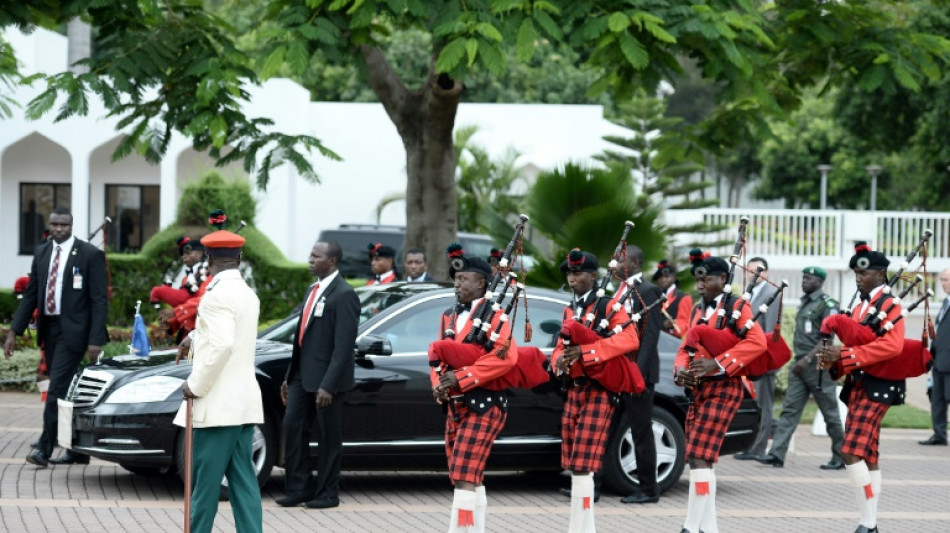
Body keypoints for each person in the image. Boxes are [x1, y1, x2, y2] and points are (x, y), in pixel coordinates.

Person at [173, 229, 263, 533]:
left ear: (208, 260)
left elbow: (223, 344)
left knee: (205, 486)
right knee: (244, 482)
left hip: (218, 408)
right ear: (238, 258)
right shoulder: (247, 293)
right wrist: (194, 337)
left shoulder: (215, 295)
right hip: (242, 404)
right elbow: (230, 336)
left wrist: (194, 384)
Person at [4, 207, 108, 467]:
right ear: (49, 225)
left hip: (74, 333)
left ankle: (43, 448)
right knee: (67, 393)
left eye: (64, 224)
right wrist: (14, 332)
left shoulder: (89, 254)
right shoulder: (42, 252)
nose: (59, 228)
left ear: (71, 225)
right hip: (49, 330)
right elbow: (31, 294)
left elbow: (98, 299)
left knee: (56, 390)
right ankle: (78, 450)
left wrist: (95, 339)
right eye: (54, 224)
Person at [817, 242, 906, 533]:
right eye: (855, 272)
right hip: (859, 382)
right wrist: (833, 360)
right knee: (868, 454)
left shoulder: (890, 304)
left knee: (850, 451)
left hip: (879, 384)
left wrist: (844, 356)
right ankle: (871, 521)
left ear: (880, 275)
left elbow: (892, 346)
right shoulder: (861, 306)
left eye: (863, 273)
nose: (858, 277)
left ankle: (867, 523)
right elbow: (855, 342)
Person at [675, 253, 766, 533]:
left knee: (699, 456)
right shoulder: (696, 311)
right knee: (702, 458)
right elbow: (685, 349)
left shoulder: (738, 306)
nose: (702, 282)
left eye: (708, 277)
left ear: (724, 280)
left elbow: (757, 342)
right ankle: (709, 528)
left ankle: (690, 527)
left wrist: (718, 363)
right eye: (699, 277)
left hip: (725, 387)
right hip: (699, 390)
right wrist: (681, 370)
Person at [552, 248, 640, 533]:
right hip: (574, 390)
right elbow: (559, 348)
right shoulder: (570, 308)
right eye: (569, 272)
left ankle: (580, 529)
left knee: (583, 464)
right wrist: (558, 362)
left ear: (593, 276)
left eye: (578, 273)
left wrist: (588, 352)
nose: (572, 277)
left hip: (599, 390)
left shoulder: (609, 305)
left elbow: (629, 339)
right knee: (574, 463)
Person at [431, 251, 517, 533]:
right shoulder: (448, 315)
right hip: (455, 404)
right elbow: (438, 357)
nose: (457, 284)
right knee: (466, 475)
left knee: (464, 473)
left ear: (481, 284)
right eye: (455, 279)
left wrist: (463, 377)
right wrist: (439, 384)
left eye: (464, 279)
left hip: (485, 403)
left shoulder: (496, 316)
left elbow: (506, 358)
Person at [278, 240, 360, 509]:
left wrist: (328, 386)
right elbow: (302, 339)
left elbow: (344, 346)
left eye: (316, 256)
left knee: (328, 437)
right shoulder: (311, 290)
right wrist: (290, 376)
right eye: (311, 255)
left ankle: (327, 493)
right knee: (293, 428)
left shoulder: (344, 294)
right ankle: (299, 487)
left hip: (327, 381)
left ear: (332, 261)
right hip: (302, 376)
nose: (310, 259)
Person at [755, 266, 845, 469]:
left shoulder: (828, 305)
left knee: (830, 413)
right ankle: (776, 454)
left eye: (809, 278)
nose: (804, 281)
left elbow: (827, 338)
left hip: (818, 366)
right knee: (789, 411)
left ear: (820, 282)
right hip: (800, 365)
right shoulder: (804, 303)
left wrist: (808, 360)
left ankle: (841, 456)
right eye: (803, 277)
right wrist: (800, 361)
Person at [616, 245, 664, 505]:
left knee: (641, 432)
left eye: (621, 259)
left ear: (634, 262)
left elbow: (651, 336)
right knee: (610, 428)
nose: (616, 263)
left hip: (639, 373)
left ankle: (648, 489)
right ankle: (596, 483)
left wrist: (638, 372)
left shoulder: (648, 290)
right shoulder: (620, 289)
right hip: (618, 371)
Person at [734, 256, 781, 461]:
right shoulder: (750, 293)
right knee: (755, 405)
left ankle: (760, 447)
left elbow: (770, 331)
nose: (754, 274)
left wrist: (765, 360)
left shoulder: (772, 293)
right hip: (750, 358)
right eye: (750, 270)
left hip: (763, 359)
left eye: (758, 270)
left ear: (767, 273)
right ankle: (752, 445)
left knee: (764, 405)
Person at [921, 267, 950, 446]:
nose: (943, 284)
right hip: (939, 360)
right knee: (937, 399)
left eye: (946, 280)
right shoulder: (946, 302)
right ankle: (939, 434)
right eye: (942, 280)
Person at [150, 236, 208, 308]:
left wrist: (160, 291)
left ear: (200, 253)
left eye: (188, 253)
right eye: (183, 254)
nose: (184, 256)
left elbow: (193, 300)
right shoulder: (185, 278)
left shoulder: (207, 272)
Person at [653, 259, 692, 338]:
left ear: (674, 278)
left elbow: (684, 325)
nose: (663, 280)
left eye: (667, 277)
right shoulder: (653, 296)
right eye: (660, 277)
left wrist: (672, 326)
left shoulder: (684, 297)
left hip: (671, 343)